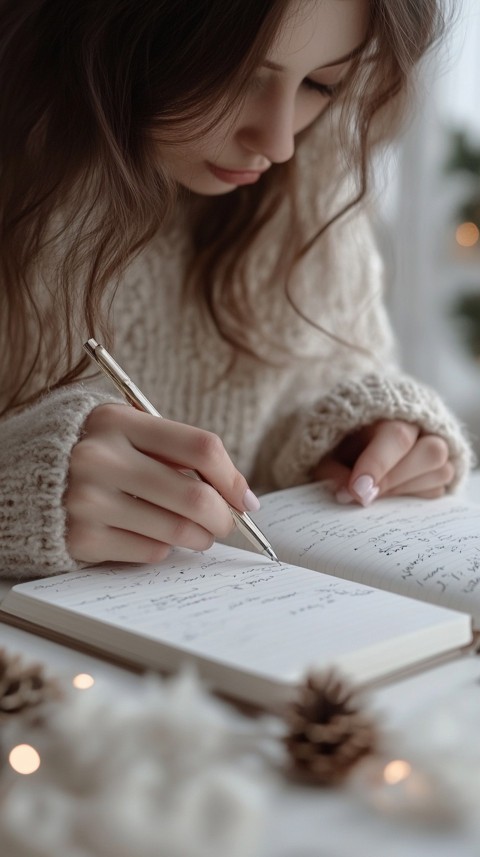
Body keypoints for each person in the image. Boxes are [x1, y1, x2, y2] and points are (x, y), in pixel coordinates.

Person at [0, 0, 472, 579]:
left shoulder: (316, 176)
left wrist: (358, 436)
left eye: (323, 83)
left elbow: (329, 379)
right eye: (240, 75)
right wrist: (17, 491)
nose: (278, 144)